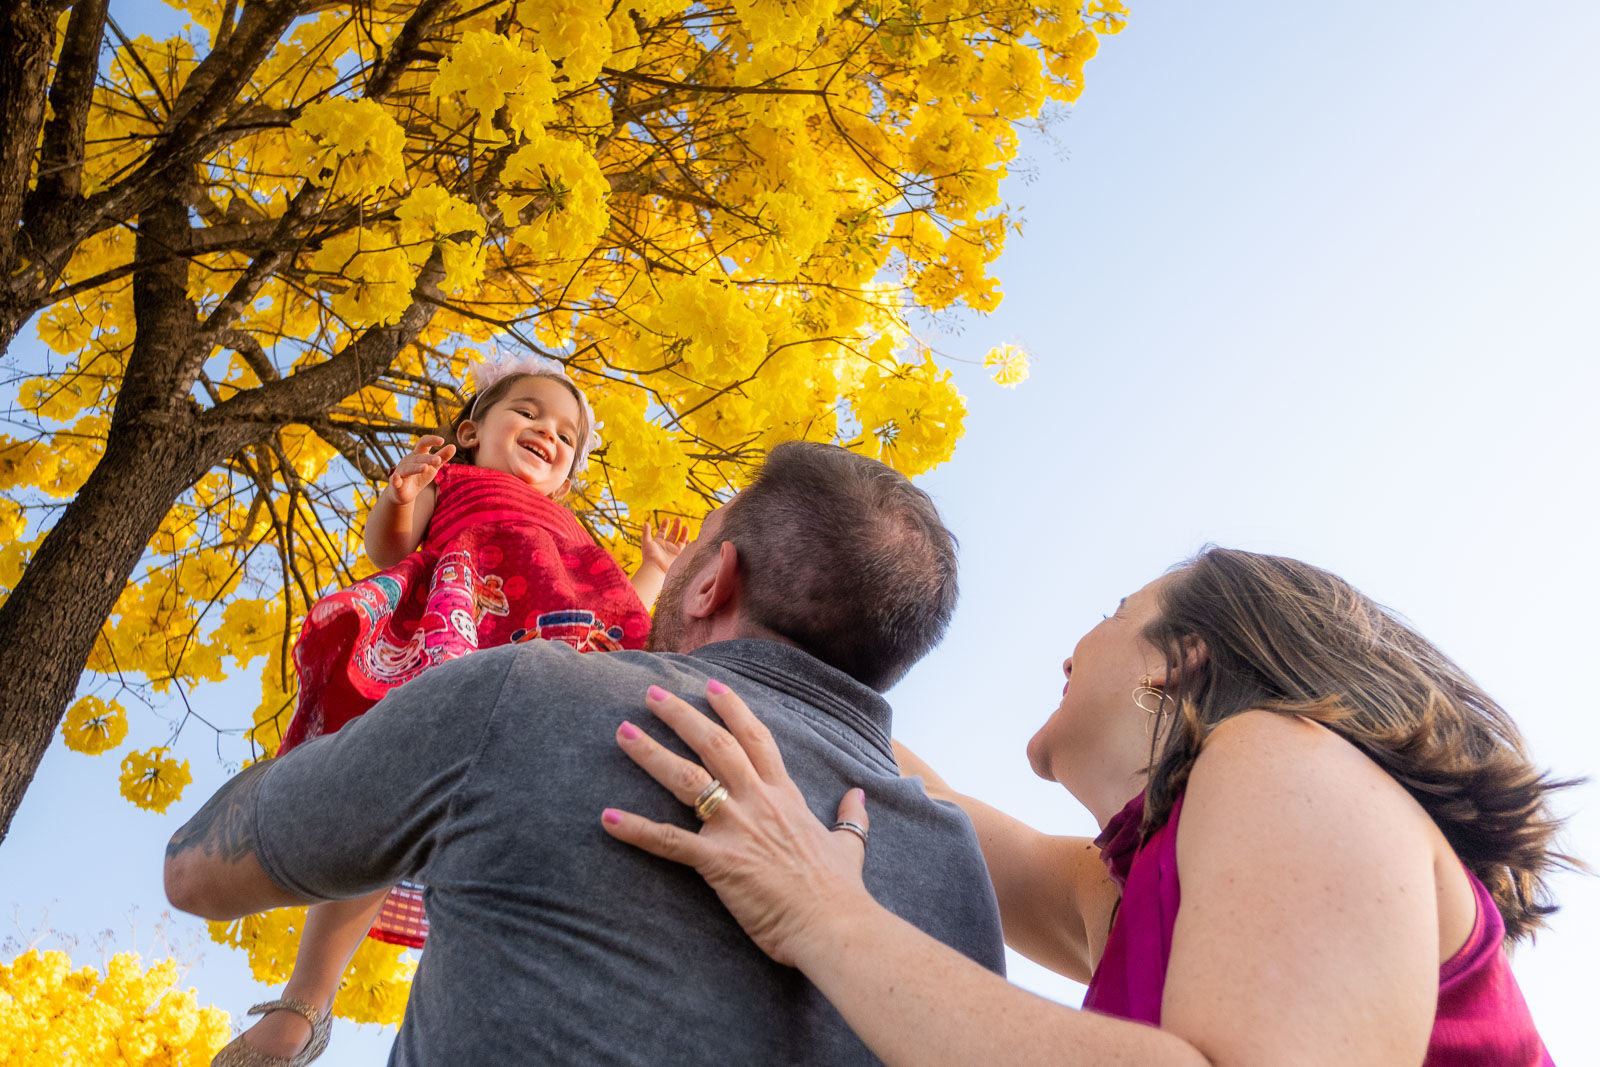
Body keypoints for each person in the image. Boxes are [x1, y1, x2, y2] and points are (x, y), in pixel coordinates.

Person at [165, 441, 1006, 1066]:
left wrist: (398, 711)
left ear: (714, 582)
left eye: (703, 543)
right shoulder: (955, 860)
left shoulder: (529, 694)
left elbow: (195, 871)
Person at [604, 547, 1567, 1065]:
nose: (1075, 645)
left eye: (1113, 610)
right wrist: (742, 656)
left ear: (1184, 656)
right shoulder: (1131, 886)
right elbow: (936, 807)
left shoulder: (1289, 757)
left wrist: (822, 915)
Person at [217, 352, 686, 1064]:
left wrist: (654, 570)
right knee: (387, 803)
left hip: (551, 674)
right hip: (454, 643)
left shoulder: (571, 535)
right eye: (527, 411)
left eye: (567, 435)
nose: (548, 433)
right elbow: (390, 548)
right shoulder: (455, 482)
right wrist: (402, 494)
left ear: (569, 473)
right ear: (471, 431)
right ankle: (304, 1003)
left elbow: (618, 617)